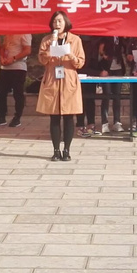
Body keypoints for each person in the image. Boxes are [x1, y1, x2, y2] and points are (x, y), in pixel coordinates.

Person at [36, 11, 85, 161]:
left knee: (69, 117)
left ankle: (67, 150)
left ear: (66, 23)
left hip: (69, 81)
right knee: (54, 117)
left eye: (60, 21)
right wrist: (50, 48)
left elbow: (80, 63)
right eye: (55, 21)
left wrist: (70, 55)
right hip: (52, 80)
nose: (57, 24)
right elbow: (42, 60)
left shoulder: (75, 40)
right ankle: (56, 150)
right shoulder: (47, 40)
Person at [0, 34, 32, 128]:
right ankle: (1, 116)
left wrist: (14, 58)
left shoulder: (25, 33)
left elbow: (27, 50)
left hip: (18, 67)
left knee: (18, 93)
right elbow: (3, 47)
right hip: (5, 68)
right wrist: (1, 57)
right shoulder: (8, 33)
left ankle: (17, 117)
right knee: (1, 92)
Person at [96, 36, 127, 133]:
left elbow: (125, 49)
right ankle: (104, 123)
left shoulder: (121, 38)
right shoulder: (105, 37)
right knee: (106, 95)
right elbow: (100, 51)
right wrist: (103, 54)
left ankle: (117, 122)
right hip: (107, 68)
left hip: (118, 69)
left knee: (117, 96)